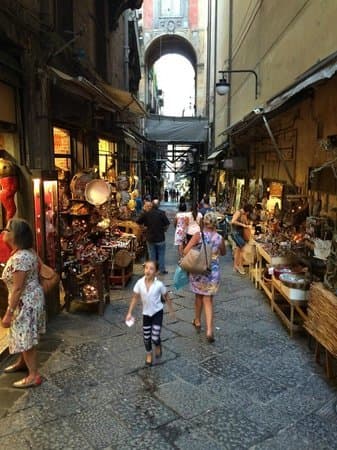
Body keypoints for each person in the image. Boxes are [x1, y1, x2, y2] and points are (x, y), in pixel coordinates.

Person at [1, 218, 45, 388]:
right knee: (23, 335)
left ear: (15, 235)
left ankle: (33, 375)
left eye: (8, 229)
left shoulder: (20, 257)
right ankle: (22, 363)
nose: (4, 232)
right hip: (30, 299)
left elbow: (18, 288)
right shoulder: (26, 252)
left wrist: (8, 313)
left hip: (25, 302)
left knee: (25, 338)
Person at [182, 211, 226, 342]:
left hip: (199, 271)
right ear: (215, 224)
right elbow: (223, 253)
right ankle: (209, 330)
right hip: (213, 272)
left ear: (204, 223)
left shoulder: (198, 236)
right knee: (208, 300)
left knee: (198, 296)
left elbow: (185, 251)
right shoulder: (219, 237)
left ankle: (197, 320)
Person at [125, 260, 174, 366]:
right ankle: (149, 354)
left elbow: (166, 296)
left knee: (155, 336)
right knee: (146, 337)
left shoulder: (159, 285)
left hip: (157, 313)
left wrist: (171, 310)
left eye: (151, 269)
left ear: (156, 272)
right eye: (146, 268)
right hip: (146, 314)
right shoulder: (139, 283)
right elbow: (135, 298)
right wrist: (129, 312)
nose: (148, 270)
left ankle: (157, 344)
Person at [137, 199, 170, 274]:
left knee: (152, 255)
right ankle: (162, 270)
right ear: (158, 205)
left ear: (152, 205)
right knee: (161, 254)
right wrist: (164, 230)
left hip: (150, 238)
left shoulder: (147, 213)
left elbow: (138, 222)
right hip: (160, 238)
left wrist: (143, 228)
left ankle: (152, 270)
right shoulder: (162, 213)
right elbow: (167, 224)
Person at [230, 204, 253, 275]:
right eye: (249, 212)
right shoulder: (239, 212)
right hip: (236, 233)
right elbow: (233, 221)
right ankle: (240, 266)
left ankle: (235, 266)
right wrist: (243, 225)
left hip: (240, 233)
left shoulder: (243, 214)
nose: (248, 213)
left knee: (238, 250)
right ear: (247, 210)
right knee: (242, 249)